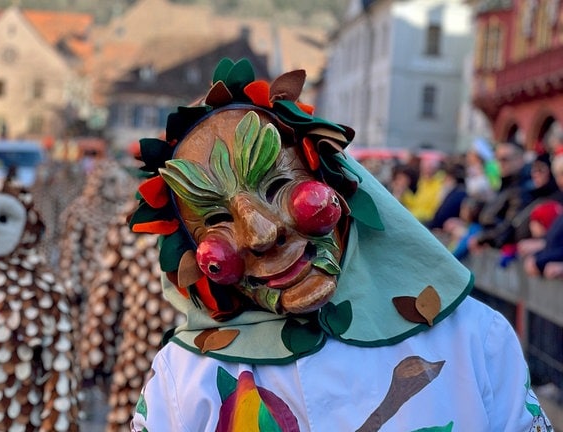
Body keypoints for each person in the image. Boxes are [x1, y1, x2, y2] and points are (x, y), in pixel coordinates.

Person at [128, 58, 552, 431]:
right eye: (218, 221)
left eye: (278, 184)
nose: (260, 234)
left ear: (336, 184)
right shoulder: (185, 380)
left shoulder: (474, 341)